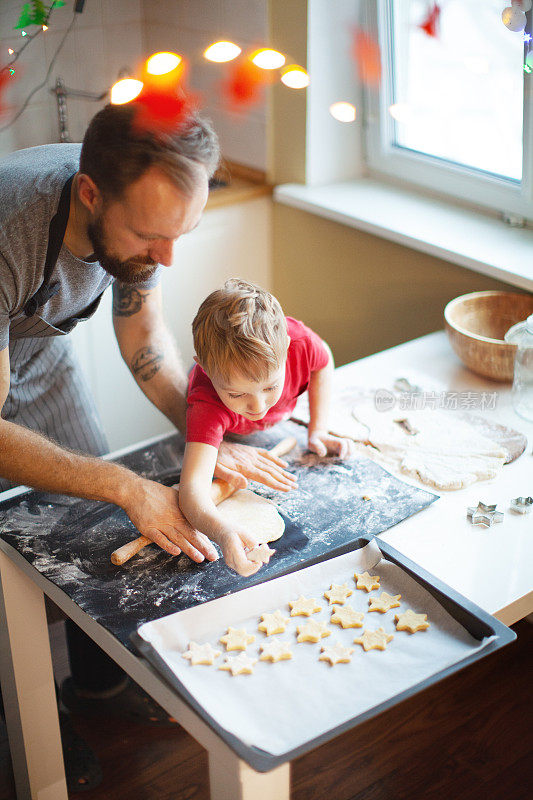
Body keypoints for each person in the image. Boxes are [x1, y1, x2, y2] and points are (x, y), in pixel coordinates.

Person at [0, 103, 295, 790]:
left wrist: (206, 438)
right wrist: (129, 486)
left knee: (81, 516)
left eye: (178, 236)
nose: (164, 258)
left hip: (34, 350)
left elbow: (144, 340)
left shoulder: (141, 210)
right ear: (89, 195)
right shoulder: (7, 233)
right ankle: (22, 734)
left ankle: (96, 686)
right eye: (150, 237)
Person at [179, 278, 354, 577]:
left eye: (271, 386)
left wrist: (318, 429)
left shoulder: (300, 343)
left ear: (287, 348)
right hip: (229, 432)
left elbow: (323, 362)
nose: (258, 407)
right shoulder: (207, 404)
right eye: (236, 394)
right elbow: (192, 490)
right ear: (206, 370)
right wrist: (223, 531)